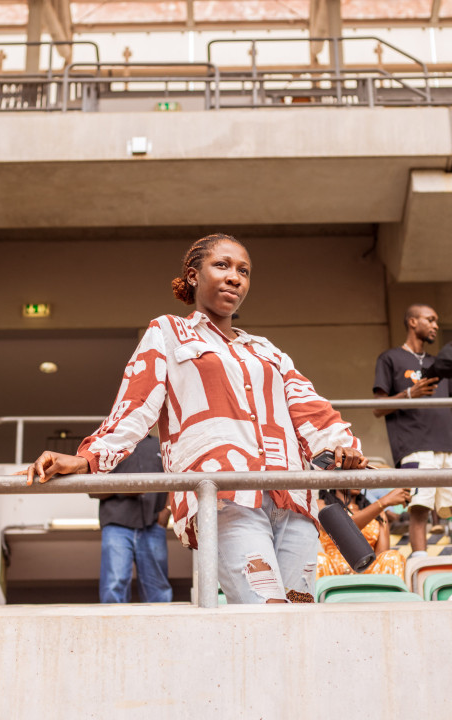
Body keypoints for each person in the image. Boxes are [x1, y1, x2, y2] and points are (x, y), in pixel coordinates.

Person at [20, 232, 367, 604]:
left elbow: (312, 408)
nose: (235, 277)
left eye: (244, 271)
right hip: (225, 498)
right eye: (222, 265)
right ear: (192, 276)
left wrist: (344, 449)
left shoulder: (267, 351)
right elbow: (135, 405)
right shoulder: (168, 333)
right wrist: (85, 457)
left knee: (298, 620)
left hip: (294, 500)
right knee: (264, 611)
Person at [373, 303, 452, 558]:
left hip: (447, 445)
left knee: (448, 509)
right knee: (419, 509)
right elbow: (377, 408)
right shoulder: (390, 358)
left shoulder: (439, 363)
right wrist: (409, 394)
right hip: (415, 446)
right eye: (430, 319)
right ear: (412, 322)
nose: (436, 326)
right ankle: (422, 572)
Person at [90, 434, 173, 604]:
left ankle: (161, 630)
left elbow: (175, 478)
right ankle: (113, 630)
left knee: (158, 587)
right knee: (114, 584)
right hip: (116, 523)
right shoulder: (106, 444)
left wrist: (166, 512)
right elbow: (92, 489)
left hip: (154, 523)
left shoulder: (161, 444)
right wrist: (123, 488)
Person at [316, 487, 411, 579]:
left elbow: (382, 553)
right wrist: (383, 502)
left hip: (367, 571)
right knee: (319, 559)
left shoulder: (379, 513)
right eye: (352, 474)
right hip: (333, 572)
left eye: (360, 476)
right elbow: (344, 530)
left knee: (392, 557)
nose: (357, 481)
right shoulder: (321, 505)